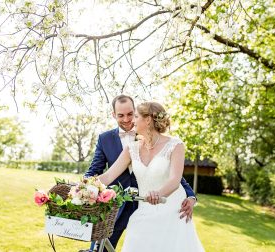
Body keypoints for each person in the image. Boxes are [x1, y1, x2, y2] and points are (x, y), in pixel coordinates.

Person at [84, 95, 197, 250]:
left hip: (170, 208)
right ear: (114, 114)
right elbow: (108, 175)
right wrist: (84, 187)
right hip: (129, 207)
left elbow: (175, 178)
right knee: (102, 247)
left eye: (134, 116)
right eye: (121, 115)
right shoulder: (131, 147)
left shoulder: (175, 145)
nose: (130, 120)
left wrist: (189, 196)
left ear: (148, 120)